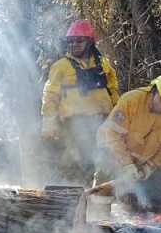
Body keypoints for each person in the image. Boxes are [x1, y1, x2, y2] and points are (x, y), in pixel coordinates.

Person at [94, 70, 161, 210]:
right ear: (153, 91)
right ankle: (98, 221)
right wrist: (127, 164)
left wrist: (150, 166)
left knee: (136, 199)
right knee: (103, 189)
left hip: (145, 159)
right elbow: (112, 134)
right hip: (112, 150)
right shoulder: (131, 101)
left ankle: (131, 217)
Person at [41, 19, 120, 183]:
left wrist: (117, 114)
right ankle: (70, 196)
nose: (74, 44)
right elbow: (50, 94)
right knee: (75, 159)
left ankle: (98, 197)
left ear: (90, 42)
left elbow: (113, 89)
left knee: (104, 159)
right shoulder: (61, 66)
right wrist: (49, 121)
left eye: (79, 40)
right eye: (71, 41)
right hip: (74, 122)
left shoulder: (103, 64)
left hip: (102, 120)